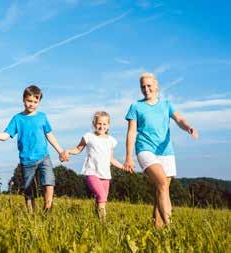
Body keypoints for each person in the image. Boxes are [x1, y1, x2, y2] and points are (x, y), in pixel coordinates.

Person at [124, 72, 198, 227]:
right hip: (145, 149)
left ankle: (157, 230)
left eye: (149, 85)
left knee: (161, 190)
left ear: (156, 86)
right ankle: (171, 228)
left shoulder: (166, 104)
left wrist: (189, 127)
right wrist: (129, 157)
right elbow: (131, 132)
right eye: (143, 86)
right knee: (163, 185)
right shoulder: (136, 106)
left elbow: (179, 119)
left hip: (166, 152)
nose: (146, 89)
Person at [0, 85, 65, 213]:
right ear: (23, 100)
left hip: (43, 156)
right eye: (29, 101)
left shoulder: (42, 117)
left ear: (39, 102)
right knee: (29, 190)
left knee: (49, 181)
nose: (32, 104)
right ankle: (31, 215)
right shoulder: (17, 119)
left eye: (35, 101)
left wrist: (60, 151)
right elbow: (5, 136)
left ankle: (48, 208)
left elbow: (50, 135)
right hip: (27, 160)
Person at [62, 111, 124, 220]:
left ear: (108, 125)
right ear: (94, 124)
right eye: (99, 123)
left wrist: (123, 167)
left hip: (105, 175)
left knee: (101, 201)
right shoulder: (88, 136)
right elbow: (78, 149)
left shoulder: (111, 141)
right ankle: (103, 223)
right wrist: (68, 151)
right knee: (102, 196)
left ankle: (96, 221)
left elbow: (111, 159)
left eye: (104, 124)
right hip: (92, 173)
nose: (101, 126)